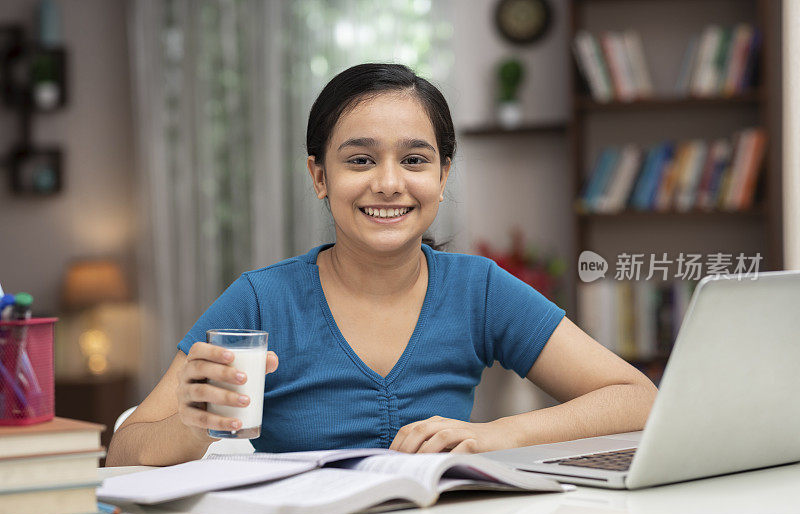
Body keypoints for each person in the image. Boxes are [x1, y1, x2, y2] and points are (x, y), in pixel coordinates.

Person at [107, 63, 657, 467]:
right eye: (360, 160)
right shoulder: (260, 300)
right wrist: (193, 424)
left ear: (443, 176)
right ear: (320, 176)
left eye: (415, 160)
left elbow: (637, 400)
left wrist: (501, 435)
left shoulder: (480, 289)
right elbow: (125, 454)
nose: (389, 183)